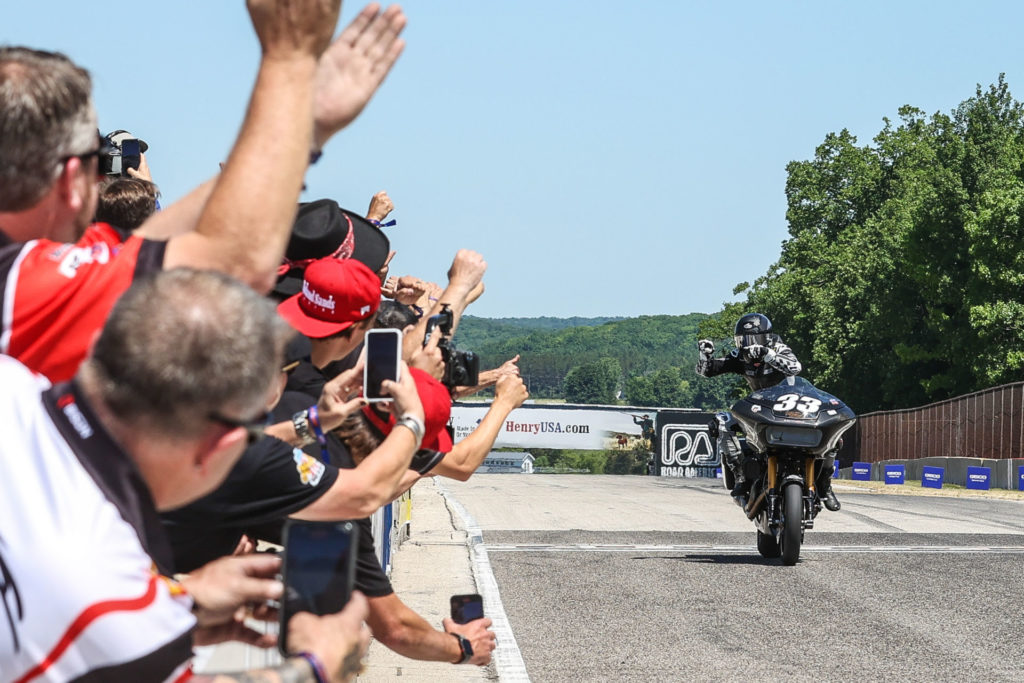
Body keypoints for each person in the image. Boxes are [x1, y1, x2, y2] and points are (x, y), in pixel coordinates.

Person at [0, 269, 378, 682]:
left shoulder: (12, 384)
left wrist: (182, 601)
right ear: (217, 448)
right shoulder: (107, 597)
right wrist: (318, 666)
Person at [0, 1, 407, 383]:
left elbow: (149, 246)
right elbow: (238, 263)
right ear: (72, 179)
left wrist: (306, 126)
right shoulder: (28, 282)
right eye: (97, 155)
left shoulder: (30, 269)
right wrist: (289, 66)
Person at [695, 313, 840, 512]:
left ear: (767, 338)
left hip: (791, 409)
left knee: (834, 435)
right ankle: (741, 477)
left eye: (754, 340)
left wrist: (767, 354)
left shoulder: (778, 347)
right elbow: (708, 370)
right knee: (721, 422)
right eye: (743, 341)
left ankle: (824, 485)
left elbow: (795, 367)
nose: (749, 346)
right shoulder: (740, 356)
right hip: (761, 411)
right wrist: (705, 356)